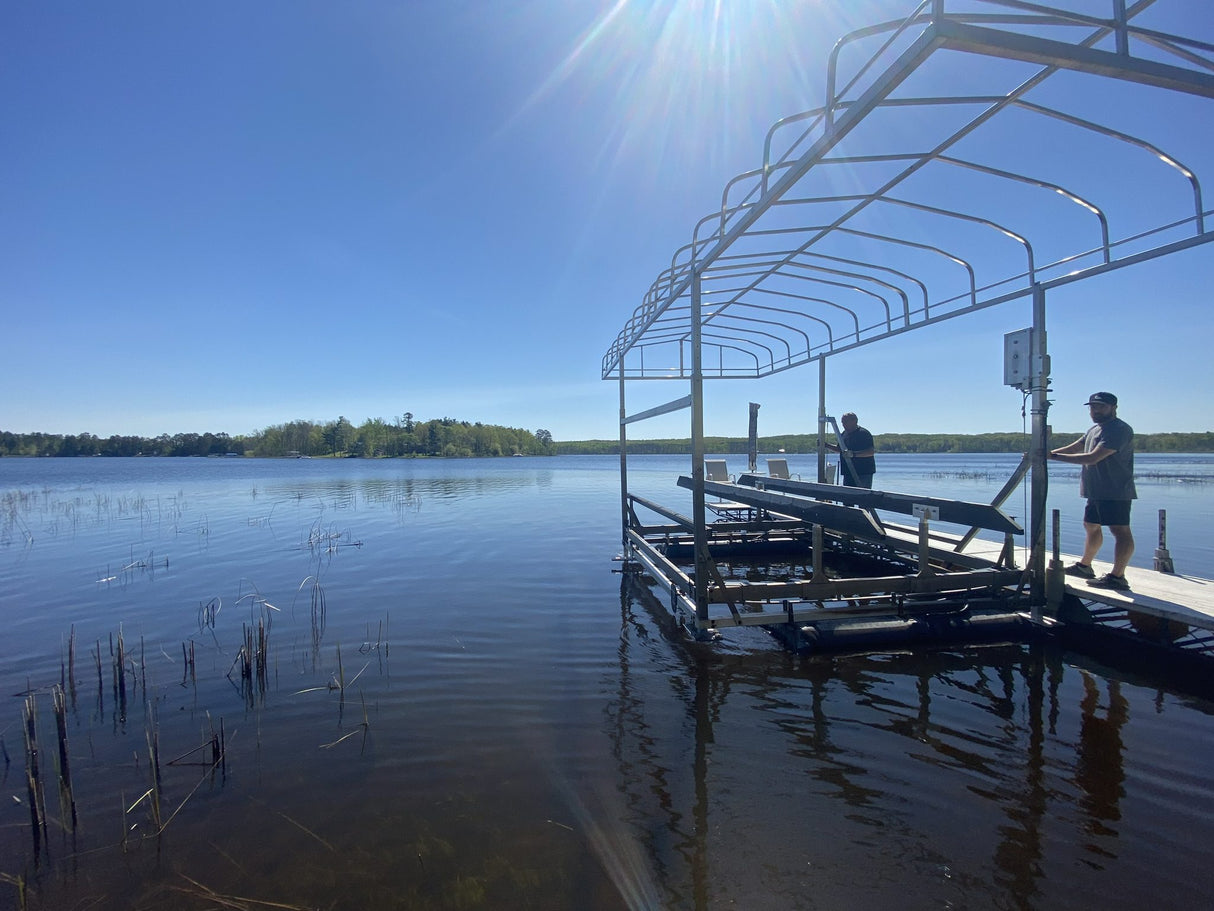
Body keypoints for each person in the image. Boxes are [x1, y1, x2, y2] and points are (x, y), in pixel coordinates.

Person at [1048, 392, 1136, 590]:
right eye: (1092, 407)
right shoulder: (1094, 429)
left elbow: (1092, 458)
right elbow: (1076, 447)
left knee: (1119, 530)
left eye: (1100, 407)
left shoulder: (1118, 430)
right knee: (1091, 525)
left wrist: (1053, 458)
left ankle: (1118, 577)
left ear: (1113, 407)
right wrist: (1049, 453)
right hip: (1096, 490)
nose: (1095, 411)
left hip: (1115, 490)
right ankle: (1085, 566)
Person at [826, 412, 876, 488]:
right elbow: (840, 449)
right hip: (848, 472)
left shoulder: (863, 433)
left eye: (845, 422)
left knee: (862, 496)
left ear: (854, 421)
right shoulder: (844, 434)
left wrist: (854, 454)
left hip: (863, 472)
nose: (843, 424)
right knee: (848, 495)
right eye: (842, 422)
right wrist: (826, 445)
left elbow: (870, 452)